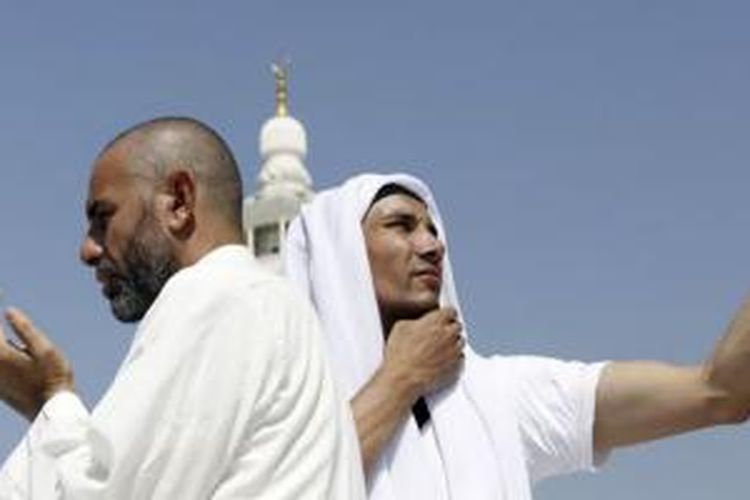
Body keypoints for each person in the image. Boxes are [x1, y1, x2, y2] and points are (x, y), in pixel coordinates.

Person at [284, 172, 750, 499]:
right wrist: (401, 378)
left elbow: (718, 391)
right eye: (400, 226)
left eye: (432, 228)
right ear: (339, 255)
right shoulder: (285, 407)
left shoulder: (497, 396)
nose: (431, 244)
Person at [0, 117, 366, 499]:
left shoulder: (215, 296)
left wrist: (51, 397)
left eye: (103, 218)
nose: (88, 250)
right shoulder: (280, 309)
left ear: (179, 201)